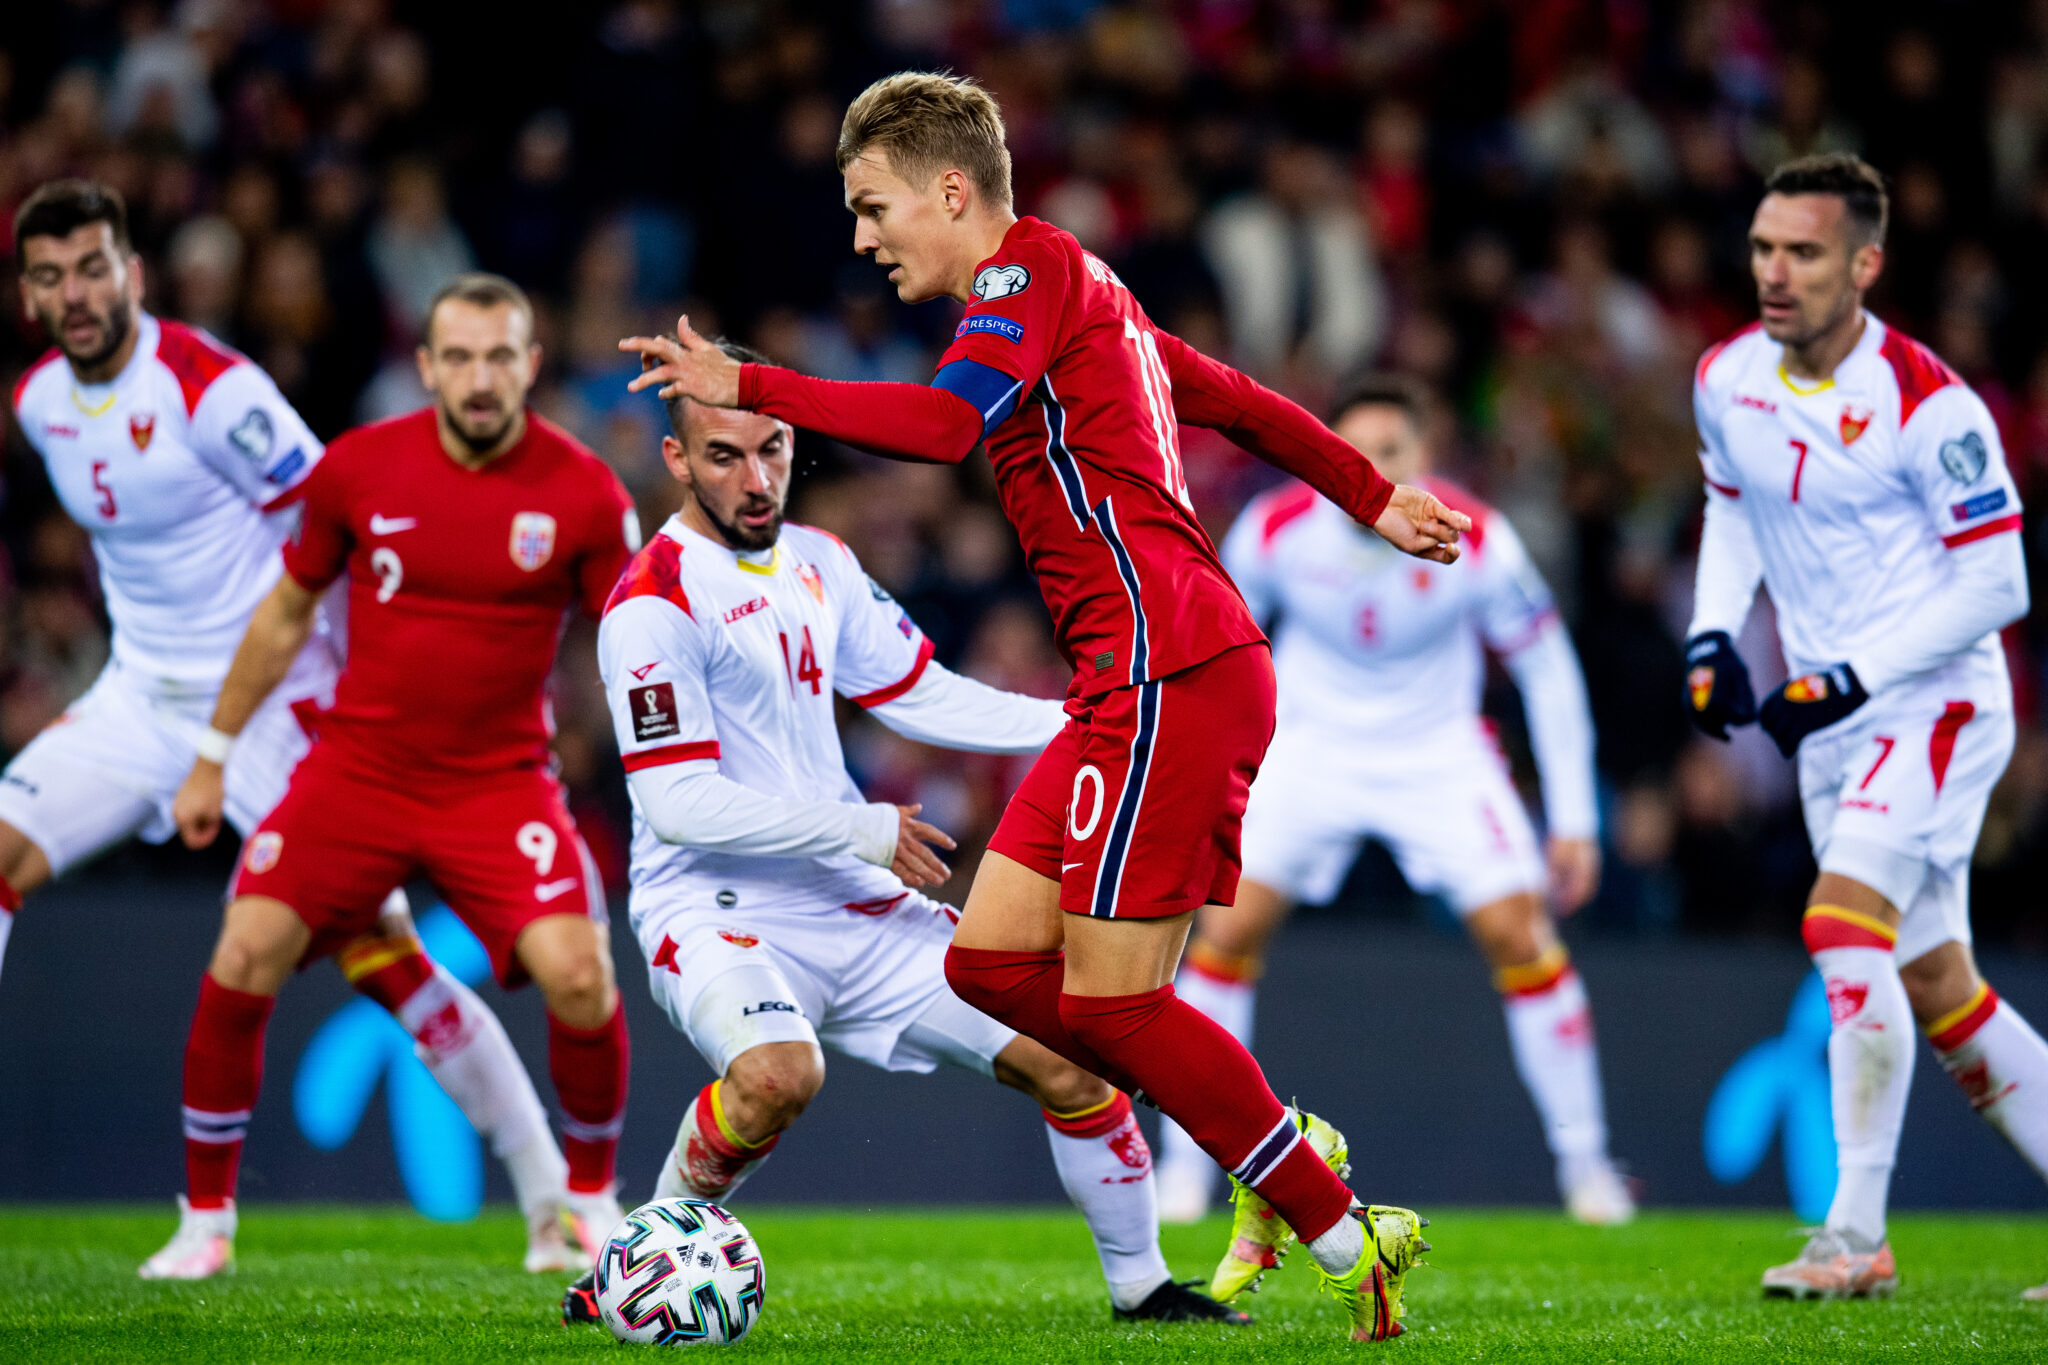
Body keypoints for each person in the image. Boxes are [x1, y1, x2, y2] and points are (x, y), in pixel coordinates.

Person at [624, 72, 1467, 1342]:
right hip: (1129, 678)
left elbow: (945, 428)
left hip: (1164, 664)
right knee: (989, 963)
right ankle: (1284, 1151)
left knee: (1114, 1007)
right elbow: (1230, 398)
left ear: (949, 191)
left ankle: (1335, 1222)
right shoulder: (1087, 297)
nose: (862, 238)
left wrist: (760, 387)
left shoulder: (1026, 278)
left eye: (873, 206)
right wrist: (1364, 488)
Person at [559, 341, 1242, 1327]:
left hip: (849, 897)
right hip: (711, 906)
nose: (754, 480)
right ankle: (627, 1269)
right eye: (722, 457)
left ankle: (1142, 1292)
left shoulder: (821, 563)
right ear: (675, 460)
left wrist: (1082, 723)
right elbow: (677, 806)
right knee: (775, 1079)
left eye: (773, 449)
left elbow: (916, 693)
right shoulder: (650, 604)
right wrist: (861, 827)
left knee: (1074, 1058)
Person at [7, 183, 585, 1275]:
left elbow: (348, 522)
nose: (74, 295)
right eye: (49, 277)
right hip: (141, 699)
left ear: (131, 273)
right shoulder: (39, 403)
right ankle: (207, 1229)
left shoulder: (212, 391)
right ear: (29, 295)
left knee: (385, 961)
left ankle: (546, 1190)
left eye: (92, 269)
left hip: (279, 708)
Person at [140, 272, 638, 1279]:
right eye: (458, 356)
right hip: (358, 772)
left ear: (531, 365)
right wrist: (212, 756)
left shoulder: (584, 490)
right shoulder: (360, 470)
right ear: (425, 367)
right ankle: (205, 1225)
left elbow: (633, 639)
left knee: (580, 975)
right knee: (243, 952)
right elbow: (284, 615)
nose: (480, 377)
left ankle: (588, 1202)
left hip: (498, 783)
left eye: (500, 356)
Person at [1685, 153, 2048, 1301]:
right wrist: (1707, 635)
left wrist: (1844, 678)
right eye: (1759, 249)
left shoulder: (1929, 403)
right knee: (1937, 983)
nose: (1772, 273)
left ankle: (1852, 1237)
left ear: (1863, 264)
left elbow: (1997, 584)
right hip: (1833, 719)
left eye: (1800, 252)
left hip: (1931, 701)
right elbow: (1729, 503)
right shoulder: (1725, 376)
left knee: (1840, 926)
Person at [1152, 373, 1631, 1228]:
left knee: (1521, 934)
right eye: (1356, 449)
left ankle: (1588, 1169)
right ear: (1326, 455)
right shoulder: (1278, 531)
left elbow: (1546, 669)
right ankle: (1185, 1171)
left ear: (1426, 456)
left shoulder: (1477, 536)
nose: (1376, 464)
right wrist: (1196, 783)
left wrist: (1575, 820)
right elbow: (1215, 660)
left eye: (1394, 449)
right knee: (1223, 931)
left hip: (1436, 750)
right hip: (1309, 744)